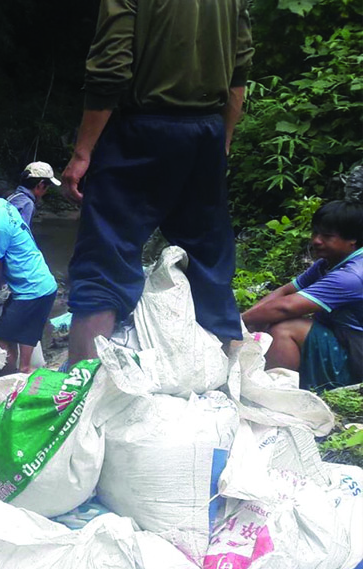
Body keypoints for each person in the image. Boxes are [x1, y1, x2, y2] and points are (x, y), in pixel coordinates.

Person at [61, 0, 254, 363]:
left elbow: (111, 68)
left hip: (141, 129)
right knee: (209, 261)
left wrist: (83, 151)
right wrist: (223, 136)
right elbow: (239, 70)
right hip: (206, 131)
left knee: (105, 255)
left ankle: (80, 386)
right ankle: (225, 383)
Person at [243, 200, 363, 391]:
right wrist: (248, 321)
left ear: (352, 240)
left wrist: (235, 322)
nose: (316, 240)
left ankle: (276, 392)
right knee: (265, 319)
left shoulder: (352, 276)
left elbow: (285, 306)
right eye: (315, 232)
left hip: (356, 354)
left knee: (285, 328)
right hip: (342, 340)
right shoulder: (328, 263)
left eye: (327, 236)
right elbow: (285, 291)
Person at [0, 198, 59, 374]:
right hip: (45, 284)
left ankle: (4, 378)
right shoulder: (0, 203)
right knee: (24, 336)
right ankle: (22, 373)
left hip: (30, 290)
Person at [6, 162, 61, 231]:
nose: (45, 192)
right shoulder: (27, 204)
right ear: (40, 185)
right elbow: (22, 234)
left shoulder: (12, 197)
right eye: (47, 188)